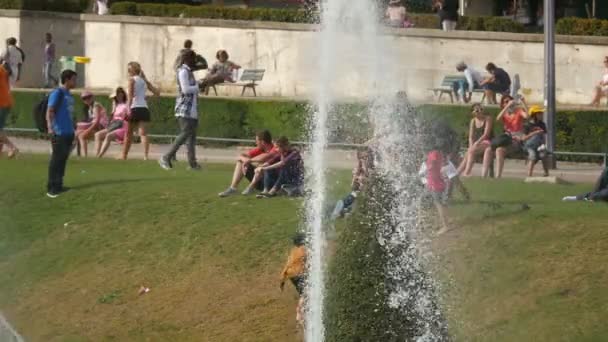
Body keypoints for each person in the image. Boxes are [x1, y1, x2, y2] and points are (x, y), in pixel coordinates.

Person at [159, 50, 202, 171]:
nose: (195, 62)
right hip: (184, 108)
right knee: (184, 134)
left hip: (191, 109)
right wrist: (199, 86)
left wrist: (199, 85)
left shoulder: (188, 71)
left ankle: (192, 164)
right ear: (188, 59)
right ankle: (166, 157)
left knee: (191, 138)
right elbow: (185, 89)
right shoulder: (183, 71)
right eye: (194, 59)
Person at [218, 130, 278, 197]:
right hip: (259, 180)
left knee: (261, 166)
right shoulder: (260, 149)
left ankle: (251, 187)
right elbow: (240, 155)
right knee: (240, 162)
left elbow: (264, 157)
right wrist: (246, 161)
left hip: (271, 182)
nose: (256, 143)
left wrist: (248, 161)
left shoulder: (275, 148)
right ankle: (233, 188)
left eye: (257, 141)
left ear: (263, 142)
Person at [46, 69, 77, 198]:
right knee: (56, 159)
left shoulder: (69, 95)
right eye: (74, 79)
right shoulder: (57, 93)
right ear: (67, 79)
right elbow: (50, 110)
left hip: (69, 131)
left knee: (63, 159)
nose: (75, 82)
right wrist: (50, 127)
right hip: (59, 132)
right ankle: (52, 188)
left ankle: (59, 184)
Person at [121, 61, 159, 161]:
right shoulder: (144, 81)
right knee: (143, 134)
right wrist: (147, 98)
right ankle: (145, 156)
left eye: (129, 70)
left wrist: (127, 109)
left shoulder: (131, 80)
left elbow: (130, 96)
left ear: (131, 71)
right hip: (144, 108)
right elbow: (157, 93)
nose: (128, 72)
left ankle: (124, 156)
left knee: (128, 134)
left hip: (134, 107)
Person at [494, 95, 529, 178]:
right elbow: (498, 119)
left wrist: (523, 103)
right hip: (507, 139)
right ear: (502, 104)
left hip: (517, 140)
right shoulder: (505, 113)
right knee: (498, 150)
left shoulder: (518, 111)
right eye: (506, 102)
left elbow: (527, 116)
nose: (509, 103)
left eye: (510, 101)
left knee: (500, 149)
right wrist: (506, 107)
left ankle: (497, 176)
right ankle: (498, 176)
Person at [331, 149, 370, 219]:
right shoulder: (360, 173)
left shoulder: (361, 172)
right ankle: (344, 214)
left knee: (343, 205)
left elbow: (361, 172)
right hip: (352, 196)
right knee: (347, 207)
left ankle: (343, 214)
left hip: (352, 196)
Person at [458, 103, 493, 177]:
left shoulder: (487, 119)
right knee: (470, 151)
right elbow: (471, 136)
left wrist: (477, 143)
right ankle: (458, 173)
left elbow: (486, 134)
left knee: (471, 151)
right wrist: (471, 145)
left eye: (481, 109)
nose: (479, 111)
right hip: (477, 144)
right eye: (477, 110)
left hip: (487, 141)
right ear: (473, 112)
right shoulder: (473, 121)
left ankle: (465, 173)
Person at [280, 233, 307, 327]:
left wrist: (282, 281)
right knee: (305, 293)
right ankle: (299, 314)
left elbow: (287, 266)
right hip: (298, 274)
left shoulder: (293, 251)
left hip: (290, 275)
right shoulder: (303, 249)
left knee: (303, 292)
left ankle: (302, 312)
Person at [95, 87, 128, 158]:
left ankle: (99, 156)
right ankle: (97, 155)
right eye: (116, 96)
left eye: (119, 95)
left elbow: (126, 117)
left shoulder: (126, 105)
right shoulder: (116, 105)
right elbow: (112, 117)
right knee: (97, 135)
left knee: (108, 136)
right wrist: (114, 107)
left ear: (122, 95)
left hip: (122, 126)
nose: (116, 98)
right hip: (114, 125)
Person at [76, 91, 108, 158]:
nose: (86, 99)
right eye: (84, 98)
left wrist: (87, 130)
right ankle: (80, 155)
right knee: (78, 133)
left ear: (92, 97)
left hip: (101, 126)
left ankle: (85, 156)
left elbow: (97, 121)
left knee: (81, 135)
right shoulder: (90, 108)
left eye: (88, 97)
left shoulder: (96, 105)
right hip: (96, 126)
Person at [522, 105, 549, 177]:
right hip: (529, 146)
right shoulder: (527, 125)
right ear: (534, 115)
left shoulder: (542, 124)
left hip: (539, 145)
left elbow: (544, 136)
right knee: (533, 156)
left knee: (543, 155)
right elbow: (523, 138)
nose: (542, 115)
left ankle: (546, 173)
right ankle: (529, 175)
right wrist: (534, 133)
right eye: (539, 113)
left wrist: (544, 144)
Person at [0, 60, 18, 158]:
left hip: (2, 102)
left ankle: (12, 147)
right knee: (0, 128)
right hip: (6, 102)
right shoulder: (3, 70)